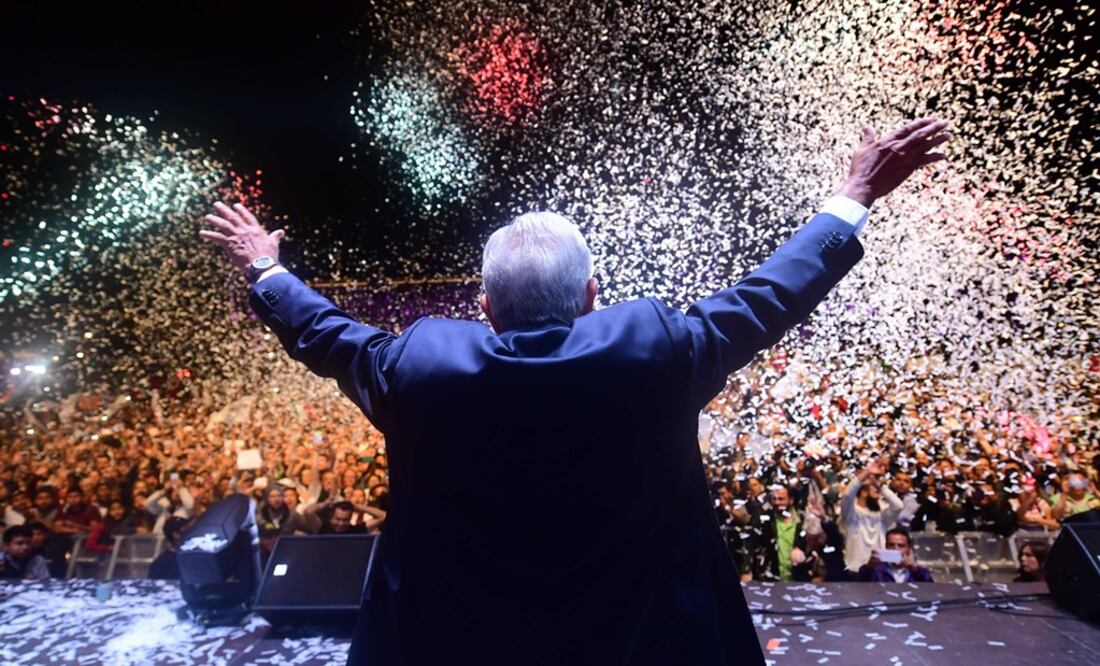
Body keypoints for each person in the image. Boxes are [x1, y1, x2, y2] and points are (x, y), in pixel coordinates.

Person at [200, 116, 952, 665]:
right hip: (648, 648)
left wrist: (265, 266)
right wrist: (856, 192)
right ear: (593, 295)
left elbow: (327, 335)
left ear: (485, 309)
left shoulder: (420, 369)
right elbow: (768, 296)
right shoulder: (656, 351)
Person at [841, 458, 904, 576]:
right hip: (856, 571)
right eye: (874, 488)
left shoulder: (883, 513)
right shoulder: (851, 513)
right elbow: (848, 495)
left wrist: (880, 485)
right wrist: (866, 472)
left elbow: (898, 506)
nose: (878, 490)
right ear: (863, 493)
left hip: (880, 570)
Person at [855, 527, 934, 583]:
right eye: (891, 545)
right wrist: (869, 567)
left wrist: (914, 569)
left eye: (901, 546)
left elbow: (931, 589)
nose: (895, 549)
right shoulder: (876, 569)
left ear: (908, 549)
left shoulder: (918, 572)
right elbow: (860, 588)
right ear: (886, 547)